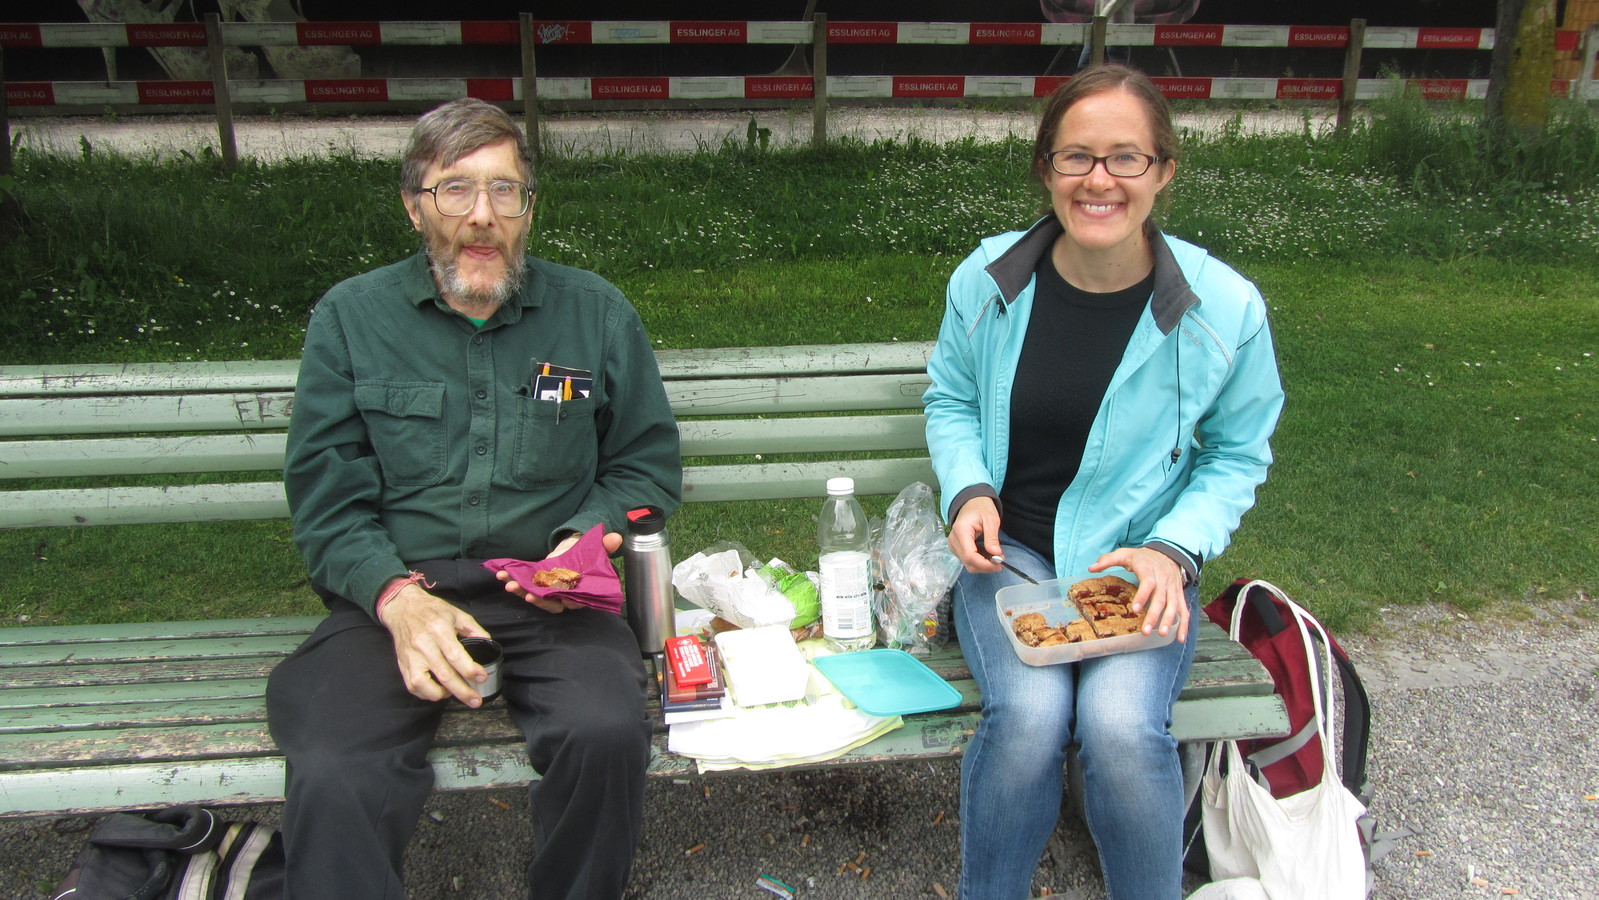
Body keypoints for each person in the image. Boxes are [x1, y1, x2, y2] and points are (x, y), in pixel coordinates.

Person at [266, 97, 682, 900]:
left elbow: (644, 464)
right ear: (413, 206)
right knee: (334, 763)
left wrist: (584, 539)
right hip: (398, 598)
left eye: (504, 190)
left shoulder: (595, 314)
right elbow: (325, 497)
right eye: (455, 189)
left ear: (529, 207)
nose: (482, 215)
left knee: (604, 733)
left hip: (550, 598)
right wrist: (392, 596)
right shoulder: (351, 319)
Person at [921, 63, 1285, 900]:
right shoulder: (988, 280)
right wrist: (968, 490)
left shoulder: (1223, 308)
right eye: (1075, 156)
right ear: (1044, 167)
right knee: (1028, 719)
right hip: (1009, 558)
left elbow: (1237, 453)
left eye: (1125, 158)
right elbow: (950, 399)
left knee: (1120, 728)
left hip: (1132, 566)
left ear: (1163, 171)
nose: (1098, 180)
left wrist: (1172, 549)